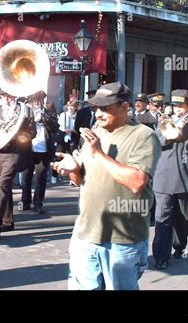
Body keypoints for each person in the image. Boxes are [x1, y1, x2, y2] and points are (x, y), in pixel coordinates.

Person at [52, 82, 161, 290]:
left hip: (121, 240)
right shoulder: (96, 133)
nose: (99, 113)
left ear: (125, 107)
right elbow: (80, 181)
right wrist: (73, 168)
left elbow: (137, 182)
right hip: (85, 234)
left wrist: (99, 154)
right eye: (96, 108)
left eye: (106, 108)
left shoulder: (144, 136)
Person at [152, 89, 188, 270]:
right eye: (175, 106)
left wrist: (185, 129)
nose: (178, 110)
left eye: (181, 106)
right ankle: (161, 256)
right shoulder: (164, 121)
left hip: (187, 178)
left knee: (182, 219)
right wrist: (170, 130)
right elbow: (157, 142)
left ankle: (179, 247)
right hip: (164, 178)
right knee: (163, 219)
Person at [0, 89, 36, 238]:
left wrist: (16, 135)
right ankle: (7, 221)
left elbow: (32, 132)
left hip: (14, 154)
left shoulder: (25, 111)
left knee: (2, 186)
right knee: (2, 188)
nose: (7, 98)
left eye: (10, 95)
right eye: (4, 95)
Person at [20, 91, 59, 214]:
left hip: (43, 150)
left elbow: (55, 127)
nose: (36, 103)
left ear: (42, 101)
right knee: (26, 178)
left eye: (38, 100)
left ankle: (38, 203)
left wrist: (44, 119)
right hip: (29, 148)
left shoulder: (48, 112)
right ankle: (25, 202)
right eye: (34, 101)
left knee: (41, 178)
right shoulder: (26, 113)